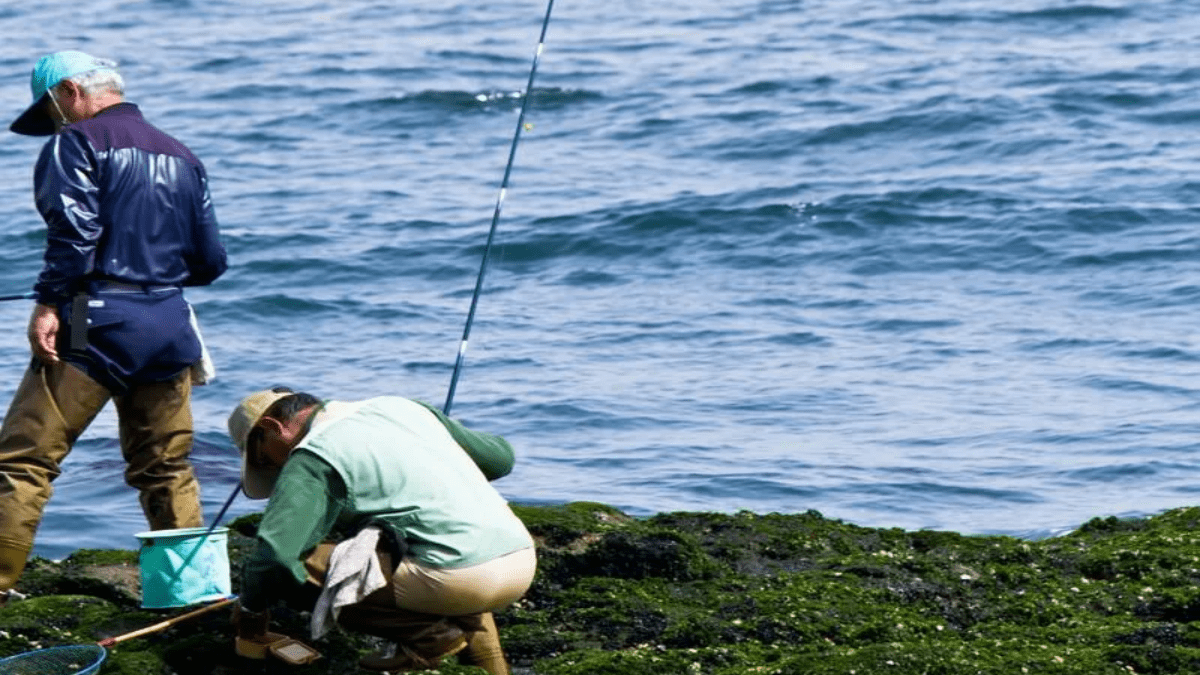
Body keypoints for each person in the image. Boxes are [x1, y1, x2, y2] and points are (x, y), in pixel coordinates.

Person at [0, 50, 228, 603]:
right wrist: (153, 278)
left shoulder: (76, 143)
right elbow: (211, 261)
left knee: (25, 460)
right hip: (170, 323)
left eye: (53, 108)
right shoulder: (182, 154)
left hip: (95, 320)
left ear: (72, 92)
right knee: (167, 466)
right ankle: (191, 596)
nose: (54, 122)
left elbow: (74, 235)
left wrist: (50, 304)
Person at [227, 387, 536, 674]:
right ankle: (490, 667)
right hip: (519, 559)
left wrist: (251, 610)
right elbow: (500, 459)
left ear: (272, 427)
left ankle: (427, 635)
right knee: (454, 566)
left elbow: (275, 556)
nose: (276, 471)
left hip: (456, 577)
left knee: (301, 565)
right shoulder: (399, 407)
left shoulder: (311, 455)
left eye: (265, 459)